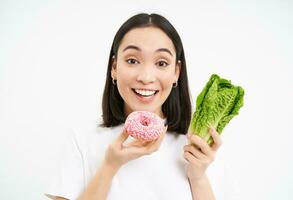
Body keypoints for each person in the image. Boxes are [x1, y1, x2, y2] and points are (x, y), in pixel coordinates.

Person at [45, 13, 225, 200]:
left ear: (176, 72)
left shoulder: (198, 147)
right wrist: (109, 166)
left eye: (161, 63)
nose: (146, 77)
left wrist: (198, 178)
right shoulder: (82, 138)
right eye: (132, 60)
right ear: (114, 67)